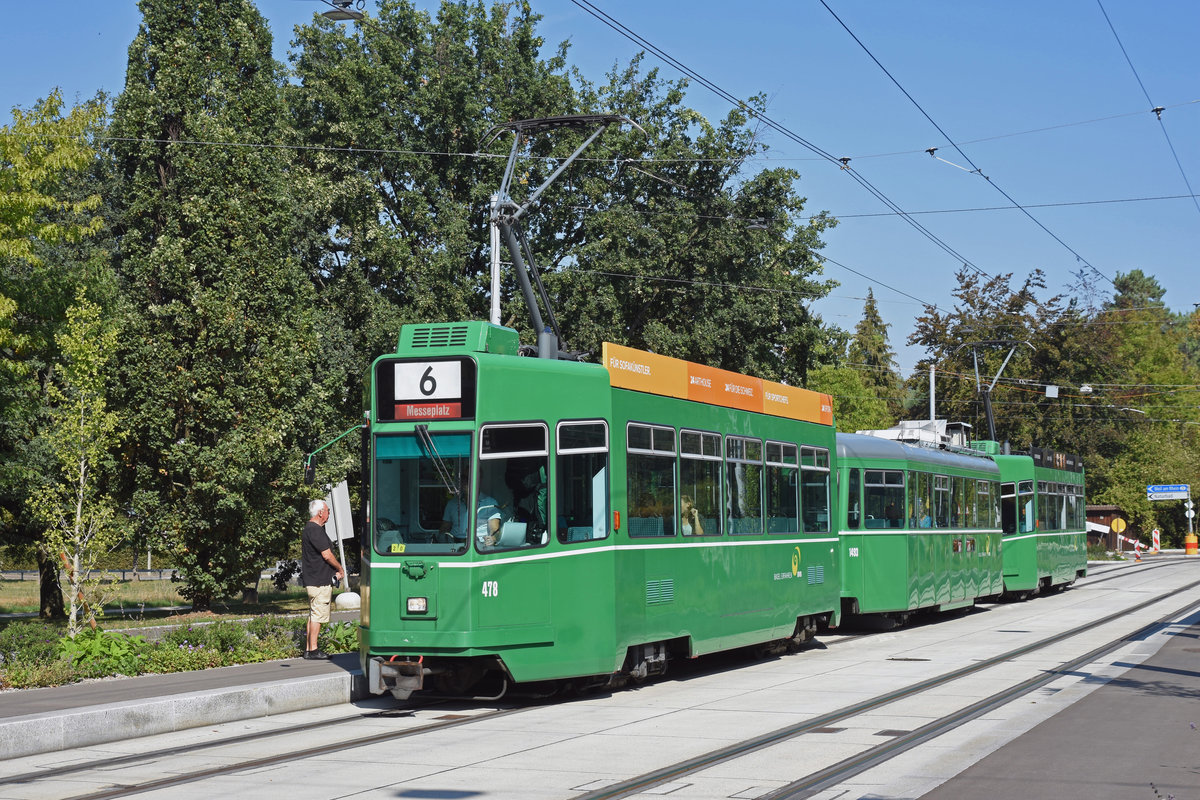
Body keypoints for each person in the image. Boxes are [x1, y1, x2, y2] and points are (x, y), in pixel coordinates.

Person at [301, 499, 344, 660]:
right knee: (318, 614)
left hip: (312, 579)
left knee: (313, 614)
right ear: (321, 512)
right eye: (328, 510)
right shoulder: (316, 530)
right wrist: (340, 569)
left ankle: (308, 649)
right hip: (319, 580)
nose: (328, 514)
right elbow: (326, 555)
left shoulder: (308, 529)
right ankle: (313, 650)